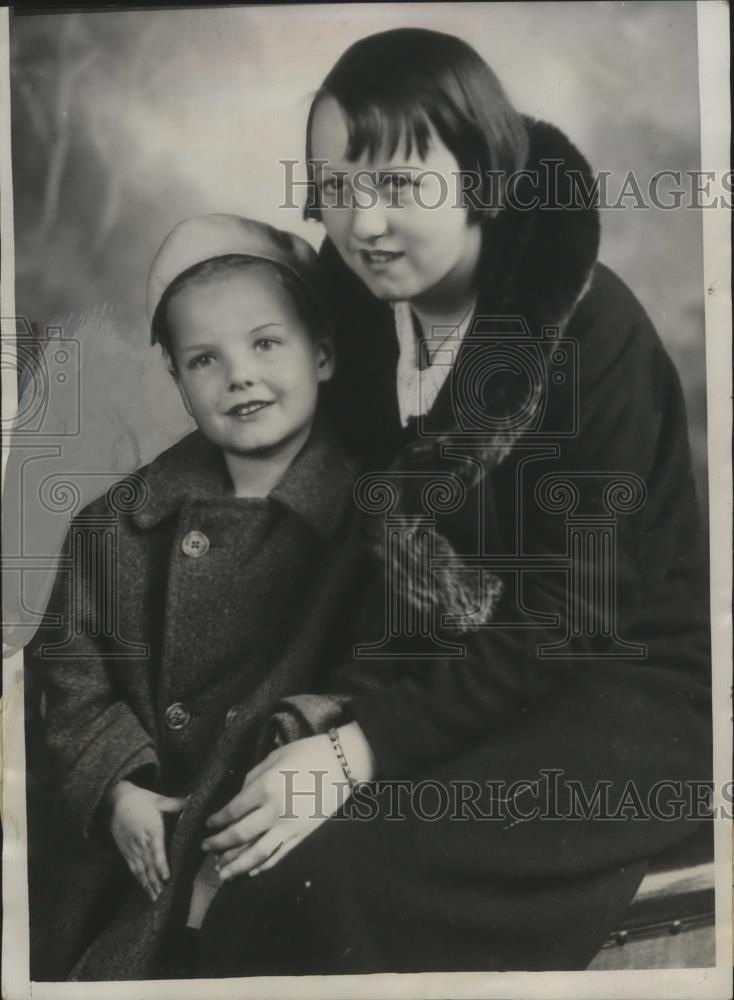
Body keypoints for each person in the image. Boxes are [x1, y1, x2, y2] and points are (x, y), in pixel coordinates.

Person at [196, 28, 712, 975]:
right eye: (338, 188)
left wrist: (360, 752)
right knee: (223, 812)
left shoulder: (590, 330)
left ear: (481, 171)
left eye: (399, 186)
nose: (365, 224)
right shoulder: (355, 311)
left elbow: (574, 620)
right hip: (444, 671)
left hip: (619, 693)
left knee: (337, 871)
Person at [24, 213, 379, 981]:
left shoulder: (373, 517)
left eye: (265, 344)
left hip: (279, 827)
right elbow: (68, 675)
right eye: (204, 360)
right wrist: (113, 786)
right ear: (179, 384)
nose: (239, 376)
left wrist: (297, 737)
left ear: (322, 353)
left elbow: (380, 678)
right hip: (133, 850)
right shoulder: (115, 526)